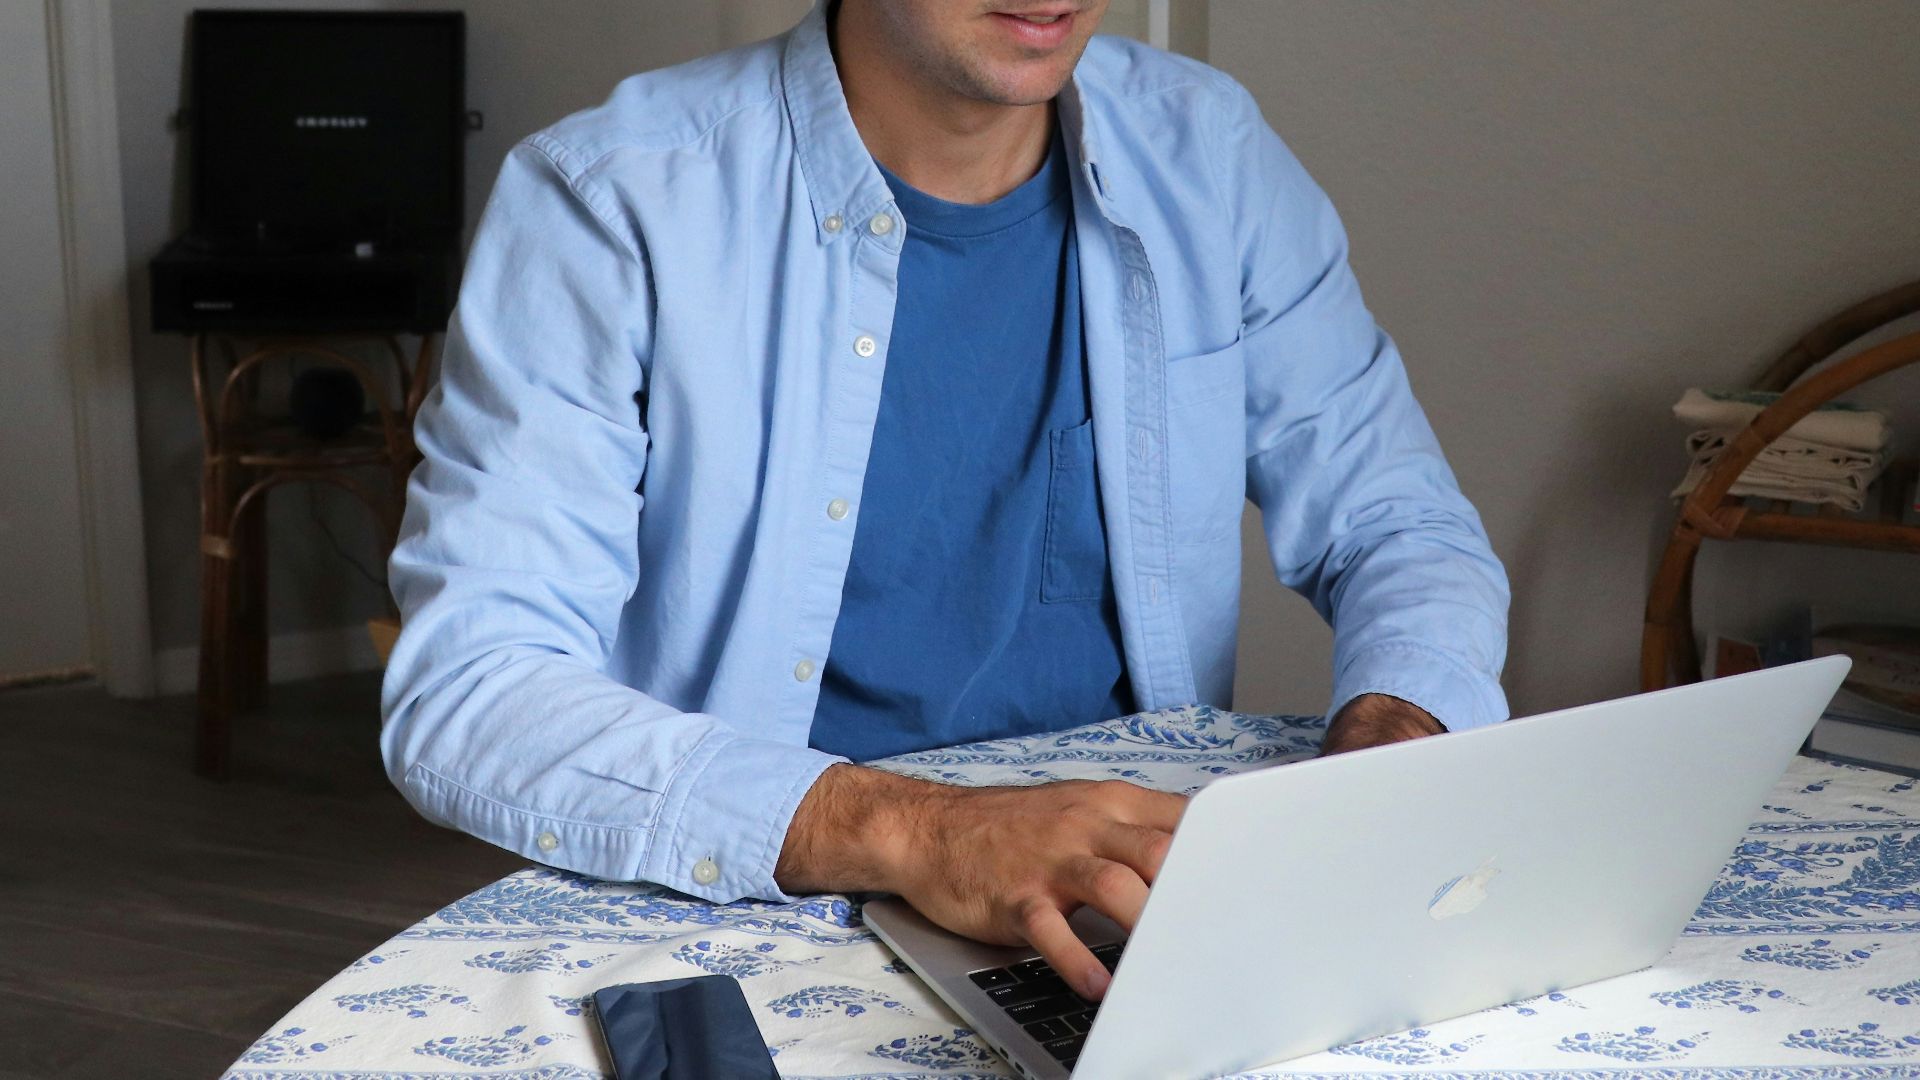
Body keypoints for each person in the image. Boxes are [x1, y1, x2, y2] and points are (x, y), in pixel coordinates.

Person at [381, 0, 1510, 1003]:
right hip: (761, 905)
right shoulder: (610, 195)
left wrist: (1401, 721)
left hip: (1132, 892)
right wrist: (922, 833)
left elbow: (1396, 520)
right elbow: (471, 687)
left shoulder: (1206, 149)